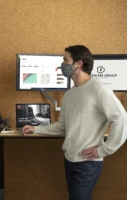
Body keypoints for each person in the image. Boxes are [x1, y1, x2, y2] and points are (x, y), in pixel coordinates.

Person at [23, 45, 127, 200]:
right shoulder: (70, 94)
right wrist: (36, 129)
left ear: (78, 63)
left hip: (88, 163)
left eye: (65, 59)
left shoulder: (98, 88)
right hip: (70, 158)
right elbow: (62, 126)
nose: (62, 64)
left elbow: (121, 119)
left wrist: (104, 150)